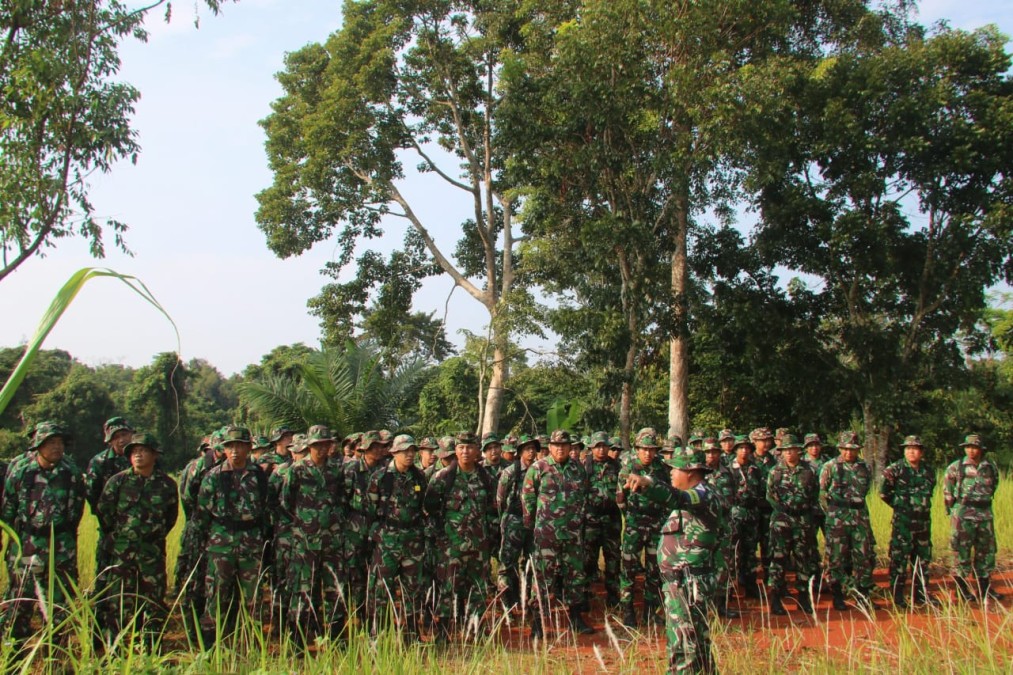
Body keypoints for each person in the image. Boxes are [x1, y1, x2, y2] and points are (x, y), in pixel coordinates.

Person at [625, 445, 720, 673]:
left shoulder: (702, 495)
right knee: (697, 650)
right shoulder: (691, 498)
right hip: (679, 585)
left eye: (674, 469)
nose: (670, 473)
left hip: (689, 585)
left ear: (689, 472)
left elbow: (676, 497)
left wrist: (648, 484)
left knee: (683, 651)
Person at [0, 422, 85, 649]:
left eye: (59, 442)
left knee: (59, 601)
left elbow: (77, 509)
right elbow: (8, 509)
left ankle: (56, 652)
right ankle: (13, 650)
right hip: (26, 545)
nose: (57, 447)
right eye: (50, 443)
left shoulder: (71, 472)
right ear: (38, 446)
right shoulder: (21, 470)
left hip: (60, 546)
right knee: (20, 597)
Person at [96, 431, 179, 642]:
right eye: (134, 451)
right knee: (118, 600)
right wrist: (122, 536)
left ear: (154, 455)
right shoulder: (118, 482)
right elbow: (104, 513)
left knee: (153, 601)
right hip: (122, 552)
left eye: (143, 451)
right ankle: (116, 648)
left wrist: (151, 536)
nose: (138, 455)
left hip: (152, 552)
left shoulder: (167, 485)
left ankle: (151, 648)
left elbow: (171, 517)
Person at [195, 425, 270, 645]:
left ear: (249, 448)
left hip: (251, 543)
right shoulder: (214, 476)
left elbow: (268, 508)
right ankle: (211, 646)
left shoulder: (259, 477)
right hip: (221, 543)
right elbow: (201, 513)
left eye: (239, 445)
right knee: (216, 595)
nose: (234, 450)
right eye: (230, 446)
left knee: (252, 598)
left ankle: (252, 645)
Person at [425, 432, 496, 642]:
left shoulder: (486, 478)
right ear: (455, 450)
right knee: (448, 588)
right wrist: (442, 539)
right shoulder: (443, 478)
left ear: (477, 451)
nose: (465, 451)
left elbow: (493, 510)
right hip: (451, 546)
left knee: (478, 588)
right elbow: (430, 509)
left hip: (479, 545)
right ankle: (443, 631)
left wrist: (489, 537)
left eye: (470, 447)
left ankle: (475, 631)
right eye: (461, 447)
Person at [522, 429, 593, 638]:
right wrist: (533, 525)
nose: (560, 449)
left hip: (572, 534)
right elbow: (527, 498)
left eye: (564, 445)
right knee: (543, 579)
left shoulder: (578, 469)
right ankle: (538, 623)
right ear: (550, 447)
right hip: (546, 536)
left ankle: (576, 618)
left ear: (570, 447)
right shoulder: (538, 468)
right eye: (556, 445)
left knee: (575, 577)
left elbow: (584, 496)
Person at [281, 425, 346, 644]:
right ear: (309, 446)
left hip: (331, 541)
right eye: (316, 445)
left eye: (324, 445)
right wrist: (305, 522)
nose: (320, 449)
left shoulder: (336, 471)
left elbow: (342, 501)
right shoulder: (297, 470)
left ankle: (336, 638)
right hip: (305, 542)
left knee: (334, 589)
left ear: (330, 447)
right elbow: (286, 501)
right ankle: (298, 639)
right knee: (303, 588)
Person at [367, 434, 427, 638]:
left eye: (412, 451)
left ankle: (411, 635)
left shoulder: (419, 477)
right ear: (394, 452)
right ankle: (379, 636)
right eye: (404, 451)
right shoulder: (380, 477)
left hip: (413, 540)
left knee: (413, 590)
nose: (409, 455)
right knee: (382, 590)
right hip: (387, 541)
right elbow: (370, 509)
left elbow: (423, 505)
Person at [617, 427, 670, 626]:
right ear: (637, 449)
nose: (648, 453)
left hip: (656, 525)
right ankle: (628, 610)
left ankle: (650, 609)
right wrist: (630, 517)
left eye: (651, 449)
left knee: (654, 569)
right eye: (643, 449)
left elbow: (668, 494)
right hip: (635, 524)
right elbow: (620, 498)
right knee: (629, 568)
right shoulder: (628, 468)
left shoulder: (662, 469)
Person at [879, 434, 939, 608]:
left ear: (921, 452)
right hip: (903, 523)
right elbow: (884, 493)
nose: (911, 452)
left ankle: (920, 595)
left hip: (923, 524)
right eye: (908, 448)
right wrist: (901, 506)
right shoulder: (894, 470)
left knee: (922, 560)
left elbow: (930, 491)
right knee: (899, 559)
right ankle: (898, 596)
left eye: (915, 449)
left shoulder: (928, 471)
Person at [819, 431, 876, 611]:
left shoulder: (864, 467)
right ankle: (838, 595)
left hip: (859, 517)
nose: (848, 453)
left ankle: (863, 596)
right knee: (836, 557)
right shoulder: (830, 466)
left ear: (858, 450)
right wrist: (831, 514)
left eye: (852, 449)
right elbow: (821, 493)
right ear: (840, 448)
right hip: (837, 518)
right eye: (845, 449)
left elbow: (866, 489)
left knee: (863, 557)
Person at [943, 433, 1004, 602]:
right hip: (963, 515)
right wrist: (954, 512)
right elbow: (948, 491)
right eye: (968, 447)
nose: (971, 450)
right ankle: (962, 590)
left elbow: (993, 486)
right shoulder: (956, 467)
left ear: (981, 449)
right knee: (960, 551)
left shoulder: (990, 467)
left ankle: (984, 589)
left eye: (974, 447)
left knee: (986, 552)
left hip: (984, 514)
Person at [765, 434, 818, 615]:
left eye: (791, 450)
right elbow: (770, 496)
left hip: (803, 521)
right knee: (778, 560)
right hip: (781, 521)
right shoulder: (775, 472)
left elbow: (814, 495)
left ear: (798, 451)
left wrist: (802, 511)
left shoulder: (808, 472)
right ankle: (776, 600)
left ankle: (804, 599)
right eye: (785, 451)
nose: (788, 453)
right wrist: (784, 511)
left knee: (804, 560)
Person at [342, 429, 392, 621]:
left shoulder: (386, 470)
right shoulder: (352, 470)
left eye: (381, 447)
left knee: (377, 572)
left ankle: (372, 615)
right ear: (364, 449)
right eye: (374, 447)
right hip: (355, 528)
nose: (378, 450)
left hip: (379, 527)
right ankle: (355, 611)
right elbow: (342, 500)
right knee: (354, 572)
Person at [86, 416, 134, 581]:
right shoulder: (100, 462)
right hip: (110, 525)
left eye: (124, 434)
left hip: (138, 523)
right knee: (106, 568)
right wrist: (106, 519)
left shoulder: (142, 457)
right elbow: (93, 494)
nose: (121, 440)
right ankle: (102, 603)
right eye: (116, 436)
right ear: (109, 440)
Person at [496, 434, 539, 608]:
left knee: (533, 562)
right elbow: (500, 499)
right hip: (514, 521)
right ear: (520, 451)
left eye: (533, 448)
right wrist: (505, 521)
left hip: (535, 522)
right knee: (507, 563)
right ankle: (507, 601)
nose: (531, 452)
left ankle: (528, 599)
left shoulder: (539, 469)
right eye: (527, 448)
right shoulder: (510, 472)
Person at [582, 431, 621, 607]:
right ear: (591, 448)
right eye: (598, 446)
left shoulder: (617, 466)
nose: (602, 449)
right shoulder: (584, 466)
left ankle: (613, 595)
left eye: (604, 446)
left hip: (611, 518)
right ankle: (586, 594)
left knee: (613, 558)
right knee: (588, 559)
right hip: (591, 518)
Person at [728, 435, 764, 600]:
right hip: (734, 514)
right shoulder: (728, 468)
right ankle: (728, 587)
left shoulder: (755, 469)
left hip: (751, 514)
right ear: (736, 450)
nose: (744, 451)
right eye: (741, 448)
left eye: (747, 448)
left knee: (750, 552)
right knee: (731, 551)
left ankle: (750, 585)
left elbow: (762, 491)